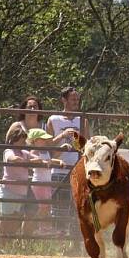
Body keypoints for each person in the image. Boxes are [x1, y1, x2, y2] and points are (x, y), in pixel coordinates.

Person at [46, 86, 88, 235]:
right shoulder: (53, 119)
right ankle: (60, 239)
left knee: (77, 206)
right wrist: (63, 135)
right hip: (59, 168)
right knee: (59, 207)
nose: (76, 102)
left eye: (77, 99)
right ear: (64, 100)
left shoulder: (82, 120)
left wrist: (77, 140)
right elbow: (47, 144)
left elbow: (86, 145)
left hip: (77, 169)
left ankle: (75, 241)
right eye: (73, 99)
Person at [0, 126, 40, 237]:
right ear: (14, 140)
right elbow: (12, 159)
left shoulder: (24, 152)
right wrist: (28, 162)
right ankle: (0, 243)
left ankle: (7, 242)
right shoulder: (9, 151)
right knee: (5, 218)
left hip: (21, 191)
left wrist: (30, 161)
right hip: (9, 190)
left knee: (14, 218)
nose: (24, 142)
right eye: (21, 140)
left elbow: (38, 159)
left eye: (24, 140)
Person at [25, 128, 64, 236]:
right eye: (42, 139)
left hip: (46, 182)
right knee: (43, 206)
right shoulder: (34, 151)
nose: (45, 141)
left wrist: (59, 161)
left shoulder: (45, 151)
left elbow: (50, 160)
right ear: (35, 140)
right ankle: (37, 227)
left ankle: (45, 227)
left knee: (47, 206)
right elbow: (31, 161)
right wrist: (41, 161)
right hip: (39, 182)